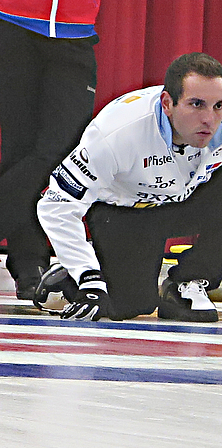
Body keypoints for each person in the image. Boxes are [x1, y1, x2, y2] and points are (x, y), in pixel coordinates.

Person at [35, 52, 222, 322]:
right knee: (131, 305)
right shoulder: (115, 134)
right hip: (127, 213)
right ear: (167, 103)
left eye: (218, 105)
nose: (209, 119)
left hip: (189, 199)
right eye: (196, 104)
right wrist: (89, 278)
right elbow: (56, 205)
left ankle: (189, 281)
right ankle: (77, 271)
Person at [0, 1, 101, 300]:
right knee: (19, 150)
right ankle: (29, 265)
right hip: (13, 22)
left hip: (75, 30)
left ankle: (31, 264)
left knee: (59, 153)